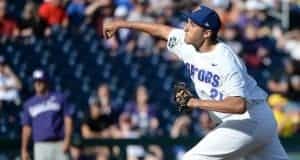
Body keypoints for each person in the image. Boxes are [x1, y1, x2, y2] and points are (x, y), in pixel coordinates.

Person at [103, 5, 288, 160]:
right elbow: (161, 30)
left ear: (206, 32)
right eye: (188, 22)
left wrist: (194, 102)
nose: (186, 28)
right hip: (258, 121)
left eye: (192, 25)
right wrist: (122, 24)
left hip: (248, 119)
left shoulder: (225, 59)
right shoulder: (188, 44)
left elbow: (239, 105)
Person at [21, 69, 74, 160]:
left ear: (46, 81)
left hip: (59, 143)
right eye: (36, 81)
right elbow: (26, 128)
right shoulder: (29, 104)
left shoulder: (59, 98)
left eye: (40, 81)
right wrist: (24, 149)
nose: (38, 84)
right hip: (41, 145)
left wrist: (68, 140)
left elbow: (68, 120)